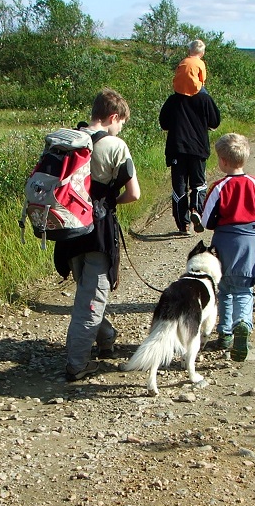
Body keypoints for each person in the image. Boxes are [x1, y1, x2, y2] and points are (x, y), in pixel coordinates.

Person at [54, 89, 141, 382]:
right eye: (121, 123)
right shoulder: (115, 145)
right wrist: (108, 202)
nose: (120, 129)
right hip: (97, 230)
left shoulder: (67, 140)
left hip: (67, 227)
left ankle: (106, 339)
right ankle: (77, 364)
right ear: (113, 117)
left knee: (87, 292)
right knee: (91, 298)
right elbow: (134, 194)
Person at [200, 133, 255, 362]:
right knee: (244, 289)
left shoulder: (219, 187)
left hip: (224, 242)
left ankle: (225, 333)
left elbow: (205, 220)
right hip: (249, 242)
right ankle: (243, 325)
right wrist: (251, 229)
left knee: (225, 289)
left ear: (222, 161)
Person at [159, 84, 221, 235]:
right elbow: (215, 122)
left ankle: (183, 225)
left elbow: (163, 123)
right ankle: (196, 210)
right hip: (198, 149)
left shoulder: (173, 100)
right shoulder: (205, 99)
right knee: (198, 183)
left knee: (179, 187)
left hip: (177, 149)